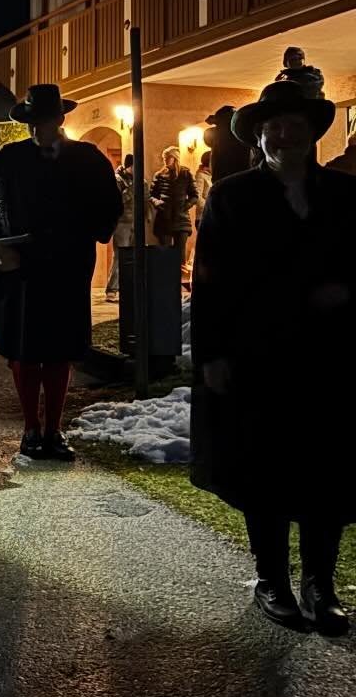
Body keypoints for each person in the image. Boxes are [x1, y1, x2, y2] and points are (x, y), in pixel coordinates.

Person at [190, 79, 354, 633]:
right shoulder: (231, 196)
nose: (285, 135)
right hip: (256, 357)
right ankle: (272, 580)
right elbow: (209, 283)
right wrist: (212, 355)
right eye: (274, 127)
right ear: (259, 137)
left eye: (295, 126)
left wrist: (346, 291)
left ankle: (320, 584)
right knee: (264, 468)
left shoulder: (346, 195)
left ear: (312, 134)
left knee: (327, 469)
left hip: (331, 358)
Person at [0, 84, 122, 461]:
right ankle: (30, 428)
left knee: (60, 350)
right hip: (21, 268)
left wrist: (86, 230)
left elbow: (109, 206)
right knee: (25, 352)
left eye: (43, 120)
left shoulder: (87, 158)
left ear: (59, 119)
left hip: (66, 267)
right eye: (32, 122)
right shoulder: (9, 158)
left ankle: (54, 430)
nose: (36, 128)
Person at [150, 144, 199, 282]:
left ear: (174, 158)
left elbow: (194, 195)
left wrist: (185, 206)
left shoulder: (185, 174)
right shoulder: (159, 175)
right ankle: (166, 283)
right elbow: (151, 195)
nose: (165, 160)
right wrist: (157, 203)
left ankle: (178, 283)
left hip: (181, 219)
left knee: (180, 255)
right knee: (164, 253)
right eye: (164, 158)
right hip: (164, 218)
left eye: (167, 157)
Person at [105, 155, 136, 299]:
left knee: (133, 256)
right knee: (119, 256)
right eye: (134, 166)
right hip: (122, 223)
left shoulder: (137, 180)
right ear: (128, 166)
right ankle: (111, 289)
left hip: (135, 222)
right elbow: (116, 201)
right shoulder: (117, 180)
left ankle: (129, 289)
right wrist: (131, 191)